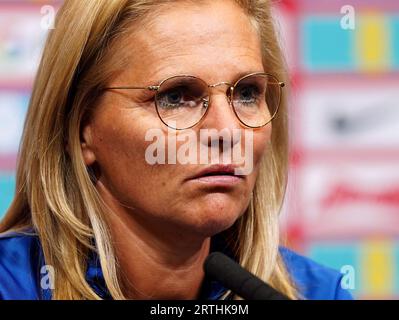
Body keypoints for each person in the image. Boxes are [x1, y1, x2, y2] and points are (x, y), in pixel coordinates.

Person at [0, 0, 352, 300]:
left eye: (247, 93)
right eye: (175, 96)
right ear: (80, 129)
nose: (229, 131)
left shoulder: (317, 292)